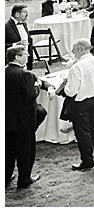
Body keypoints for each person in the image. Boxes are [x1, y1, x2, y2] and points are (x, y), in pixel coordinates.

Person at [62, 38, 94, 171]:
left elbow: (71, 92)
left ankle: (87, 161)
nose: (73, 52)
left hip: (82, 102)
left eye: (74, 50)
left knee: (82, 133)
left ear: (81, 49)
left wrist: (65, 86)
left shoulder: (77, 67)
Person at [5, 45, 42, 188]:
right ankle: (24, 178)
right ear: (17, 57)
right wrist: (37, 86)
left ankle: (6, 176)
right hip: (24, 119)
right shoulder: (25, 74)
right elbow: (31, 96)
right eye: (25, 54)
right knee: (25, 149)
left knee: (8, 149)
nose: (28, 56)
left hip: (7, 118)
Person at [5, 6, 33, 70]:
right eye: (25, 12)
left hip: (26, 60)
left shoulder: (24, 24)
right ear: (17, 14)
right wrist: (15, 45)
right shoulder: (5, 26)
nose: (27, 14)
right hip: (14, 64)